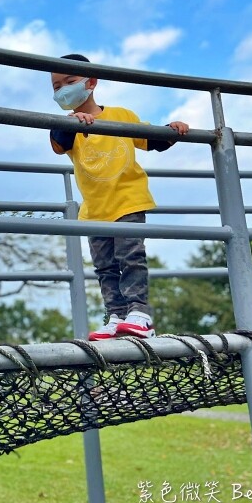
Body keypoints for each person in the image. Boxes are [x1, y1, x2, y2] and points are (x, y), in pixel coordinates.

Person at [49, 54, 190, 341]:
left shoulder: (121, 115)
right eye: (56, 86)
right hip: (94, 209)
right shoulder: (67, 126)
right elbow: (57, 144)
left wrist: (172, 130)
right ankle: (116, 316)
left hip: (127, 199)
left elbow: (151, 140)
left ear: (91, 82)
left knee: (131, 257)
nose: (63, 89)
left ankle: (140, 314)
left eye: (70, 81)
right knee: (105, 267)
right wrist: (73, 123)